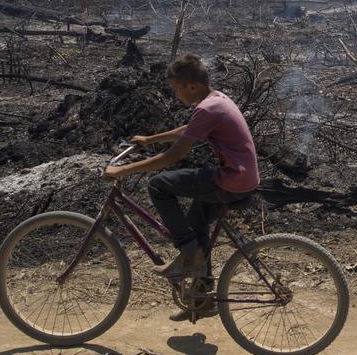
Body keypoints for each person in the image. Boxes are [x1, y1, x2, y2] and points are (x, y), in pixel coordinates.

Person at [102, 53, 260, 300]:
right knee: (197, 221)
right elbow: (189, 129)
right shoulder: (216, 100)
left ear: (192, 86)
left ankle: (189, 255)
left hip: (232, 180)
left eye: (177, 89)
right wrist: (151, 139)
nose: (176, 95)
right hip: (243, 178)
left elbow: (171, 158)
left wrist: (122, 170)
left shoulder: (207, 109)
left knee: (158, 185)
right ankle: (202, 294)